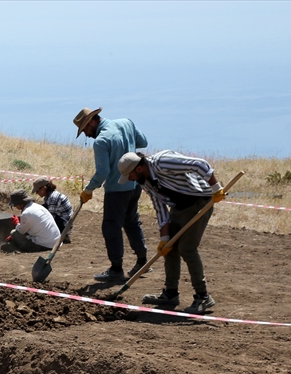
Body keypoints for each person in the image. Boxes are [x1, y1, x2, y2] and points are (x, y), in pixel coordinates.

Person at [118, 151, 225, 314]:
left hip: (200, 201)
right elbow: (160, 208)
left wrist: (216, 188)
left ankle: (203, 297)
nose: (130, 179)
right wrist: (164, 238)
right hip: (179, 206)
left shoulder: (162, 162)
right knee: (170, 247)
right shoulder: (144, 182)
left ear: (139, 169)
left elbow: (200, 164)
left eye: (130, 175)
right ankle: (170, 293)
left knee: (187, 248)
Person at [73, 107, 149, 282]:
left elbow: (102, 173)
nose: (85, 134)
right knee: (131, 222)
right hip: (135, 184)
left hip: (116, 191)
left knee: (111, 228)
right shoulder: (126, 123)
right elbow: (143, 142)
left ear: (92, 121)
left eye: (85, 129)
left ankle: (116, 269)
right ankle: (143, 260)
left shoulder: (101, 141)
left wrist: (88, 189)